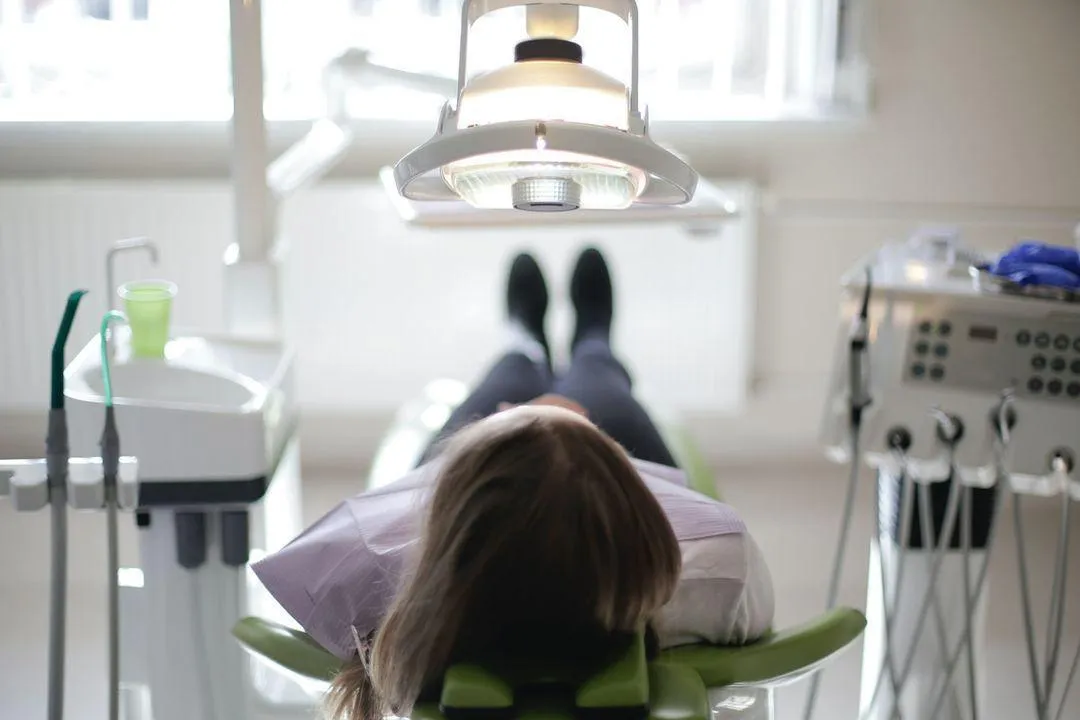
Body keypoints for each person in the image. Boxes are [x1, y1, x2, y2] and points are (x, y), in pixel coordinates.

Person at [252, 248, 774, 720]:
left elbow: (295, 602)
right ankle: (594, 340)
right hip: (558, 479)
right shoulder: (718, 566)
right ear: (628, 481)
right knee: (599, 375)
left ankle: (523, 343)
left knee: (509, 372)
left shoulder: (373, 571)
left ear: (448, 508)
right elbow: (757, 624)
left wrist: (507, 432)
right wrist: (567, 431)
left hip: (497, 482)